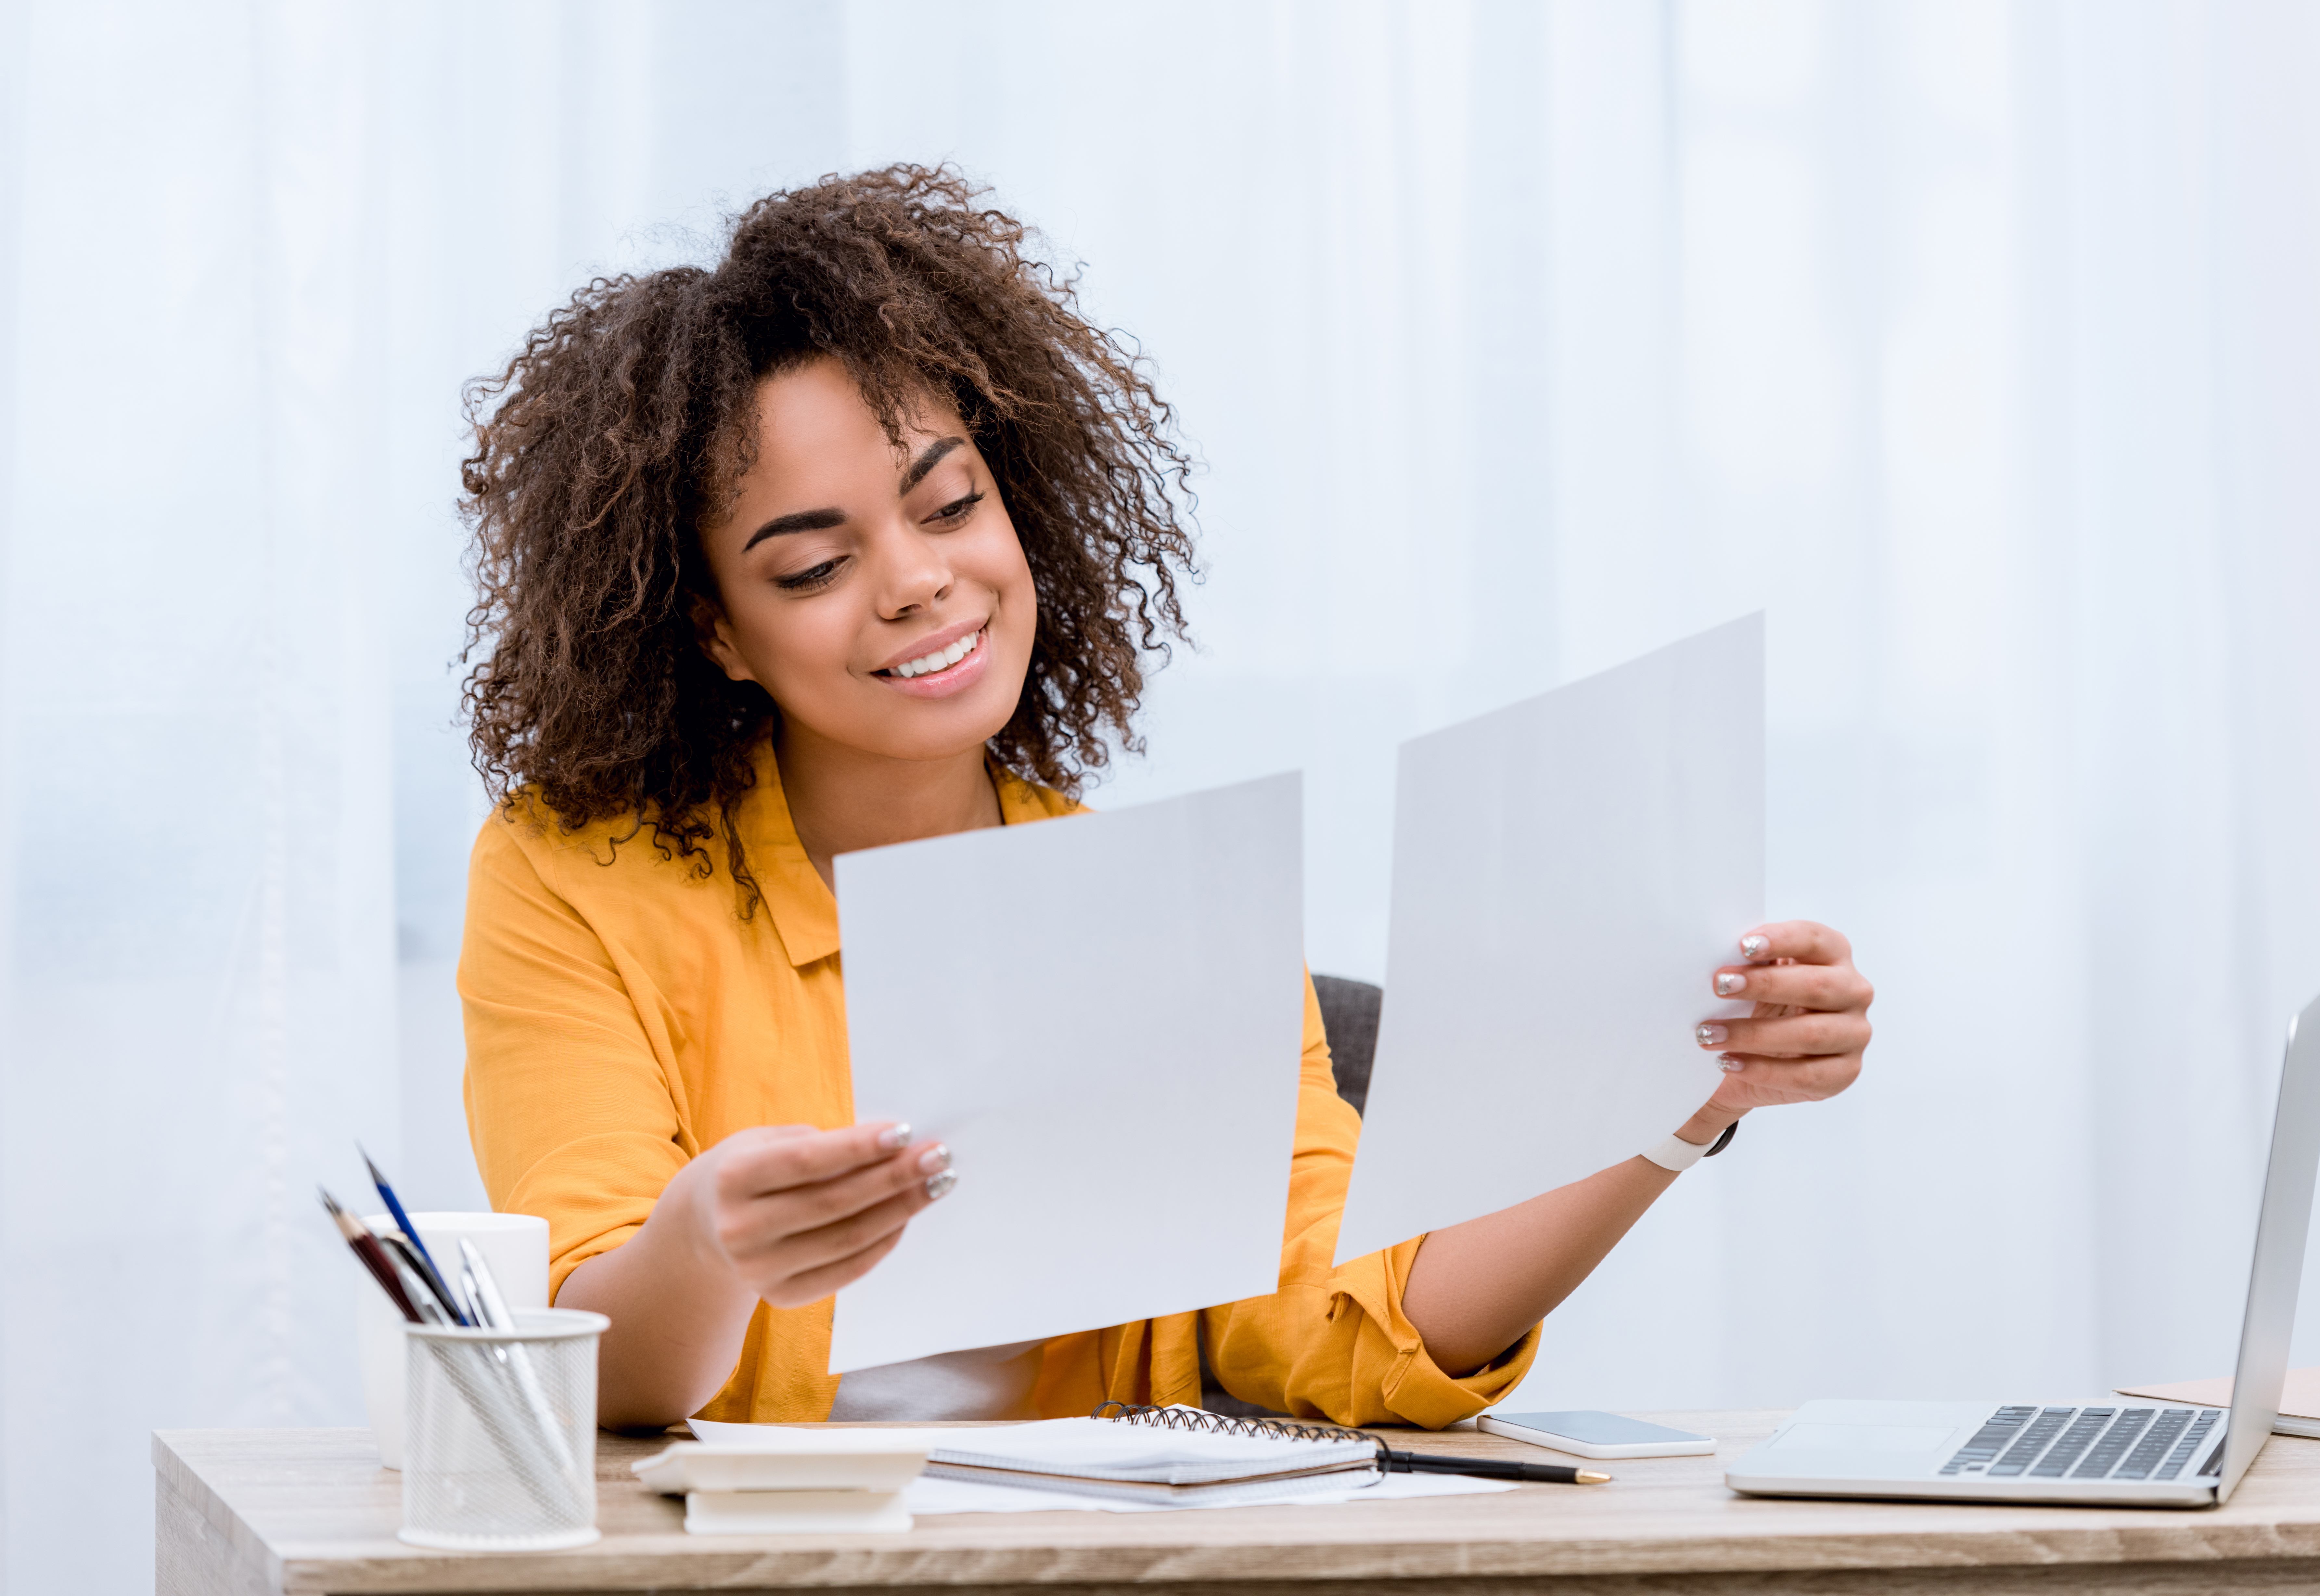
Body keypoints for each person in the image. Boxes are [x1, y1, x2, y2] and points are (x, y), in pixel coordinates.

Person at [457, 166, 1874, 1433]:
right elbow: (595, 1373)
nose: (915, 581)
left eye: (949, 506)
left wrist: (1684, 1102)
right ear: (711, 627)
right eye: (814, 566)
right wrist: (705, 1244)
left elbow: (1363, 1328)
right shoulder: (572, 877)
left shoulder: (1152, 905)